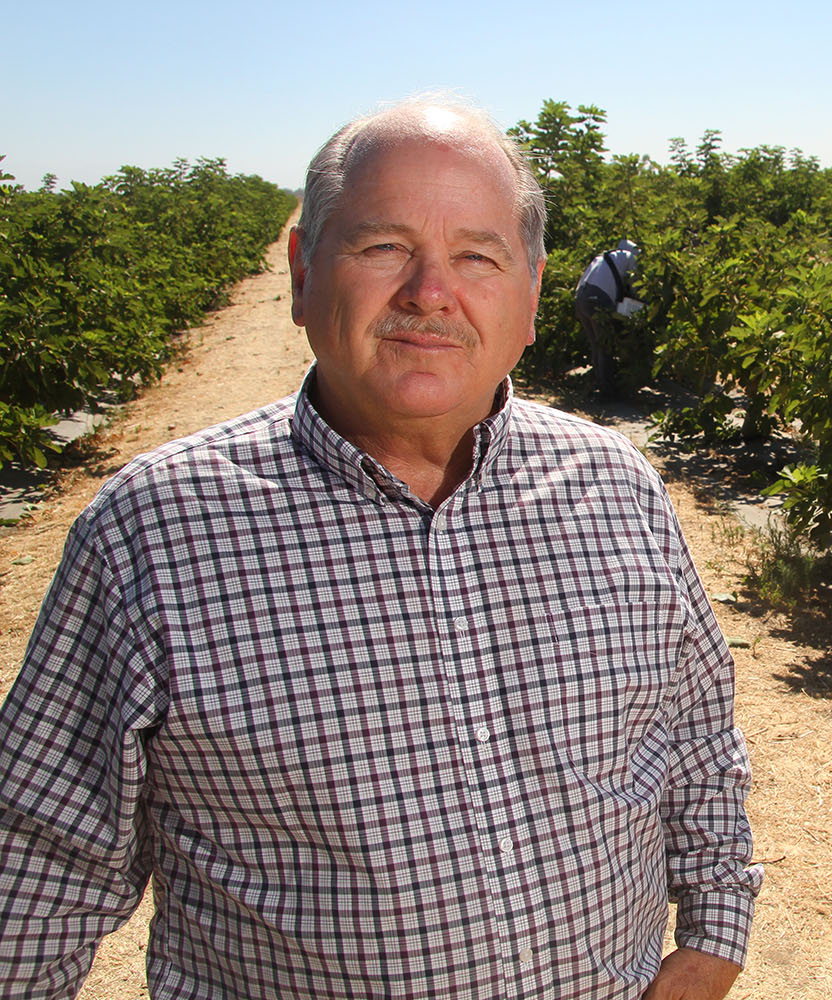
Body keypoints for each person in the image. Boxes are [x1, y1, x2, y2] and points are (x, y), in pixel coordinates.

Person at [0, 99, 759, 1000]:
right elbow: (40, 862)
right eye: (382, 247)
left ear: (533, 294)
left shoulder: (616, 489)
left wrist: (716, 926)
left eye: (478, 256)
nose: (430, 292)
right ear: (301, 271)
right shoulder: (154, 534)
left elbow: (696, 733)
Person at [574, 239, 642, 397]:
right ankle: (607, 391)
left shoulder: (603, 257)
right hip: (598, 299)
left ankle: (599, 383)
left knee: (596, 344)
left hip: (581, 298)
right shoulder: (629, 257)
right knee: (605, 346)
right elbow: (634, 284)